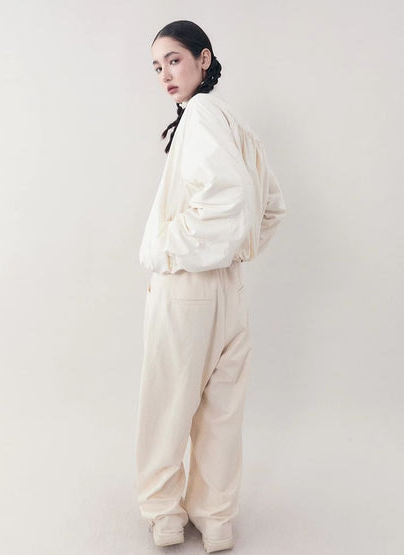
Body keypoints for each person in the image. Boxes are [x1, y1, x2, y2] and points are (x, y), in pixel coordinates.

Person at [135, 20, 287, 553]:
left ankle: (164, 512)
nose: (165, 74)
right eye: (157, 66)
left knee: (168, 405)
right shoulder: (231, 122)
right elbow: (270, 206)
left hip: (188, 288)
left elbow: (228, 198)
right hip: (231, 290)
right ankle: (216, 519)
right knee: (221, 411)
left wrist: (163, 249)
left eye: (174, 60)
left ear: (204, 58)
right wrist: (236, 251)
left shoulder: (199, 116)